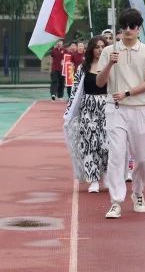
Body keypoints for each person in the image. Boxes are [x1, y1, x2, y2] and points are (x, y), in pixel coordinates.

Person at [96, 8, 145, 219]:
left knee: (141, 158)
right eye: (124, 26)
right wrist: (110, 64)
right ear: (120, 29)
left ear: (139, 28)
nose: (128, 30)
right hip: (115, 109)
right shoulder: (109, 51)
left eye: (132, 26)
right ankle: (116, 201)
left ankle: (138, 192)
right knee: (116, 155)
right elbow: (100, 82)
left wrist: (128, 93)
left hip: (139, 109)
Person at [63, 36, 109, 193]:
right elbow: (75, 91)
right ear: (91, 49)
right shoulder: (83, 68)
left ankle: (107, 175)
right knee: (90, 144)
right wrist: (69, 113)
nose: (100, 50)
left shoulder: (110, 66)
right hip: (88, 110)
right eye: (97, 47)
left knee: (106, 144)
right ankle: (94, 180)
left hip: (106, 108)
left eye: (103, 47)